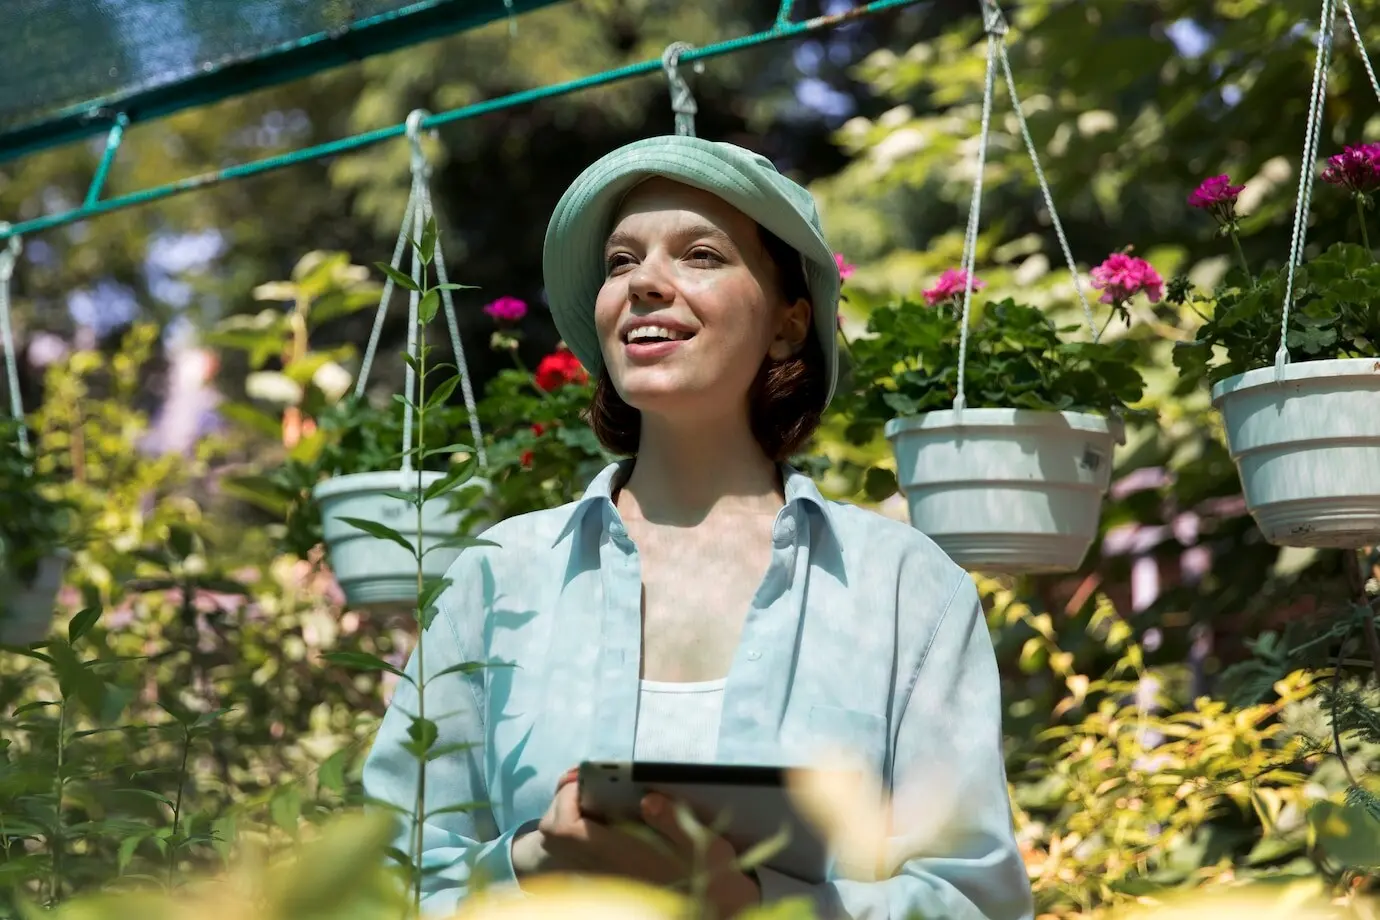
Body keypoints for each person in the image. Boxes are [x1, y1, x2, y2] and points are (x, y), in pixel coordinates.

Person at [362, 135, 1034, 920]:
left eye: (701, 254)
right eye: (620, 262)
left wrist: (748, 903)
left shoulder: (904, 587)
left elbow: (975, 901)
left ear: (788, 324)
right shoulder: (497, 576)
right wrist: (534, 860)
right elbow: (383, 884)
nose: (644, 282)